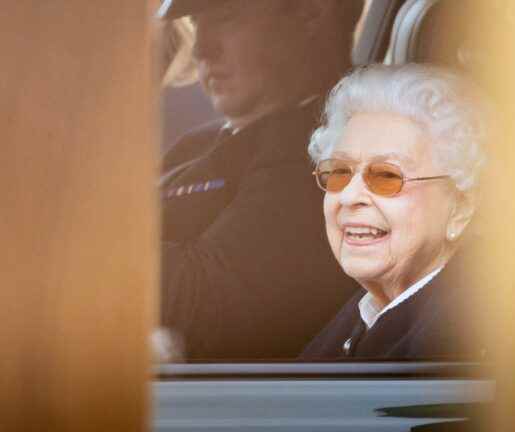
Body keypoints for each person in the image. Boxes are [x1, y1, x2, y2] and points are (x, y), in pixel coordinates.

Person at [157, 0, 363, 360]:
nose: (202, 48)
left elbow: (209, 303)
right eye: (195, 23)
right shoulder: (196, 145)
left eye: (225, 18)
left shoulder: (326, 152)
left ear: (310, 12)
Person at [301, 64, 490, 359]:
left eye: (387, 176)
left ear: (461, 208)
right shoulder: (365, 312)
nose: (349, 196)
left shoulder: (464, 341)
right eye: (339, 171)